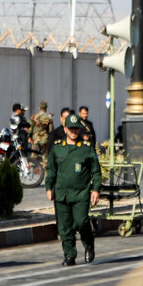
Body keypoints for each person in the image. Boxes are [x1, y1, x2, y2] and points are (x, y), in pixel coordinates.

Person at [46, 113, 101, 265]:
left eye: (76, 129)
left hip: (81, 193)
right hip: (62, 193)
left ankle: (89, 245)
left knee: (81, 222)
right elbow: (51, 169)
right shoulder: (58, 148)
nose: (74, 132)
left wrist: (95, 190)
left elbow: (96, 172)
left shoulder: (86, 149)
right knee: (65, 227)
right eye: (71, 129)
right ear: (65, 129)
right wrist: (49, 187)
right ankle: (70, 255)